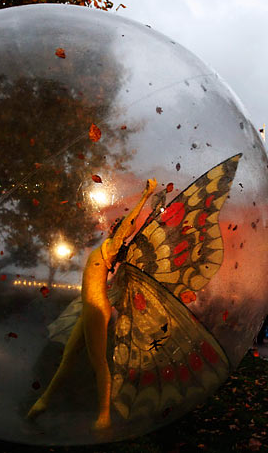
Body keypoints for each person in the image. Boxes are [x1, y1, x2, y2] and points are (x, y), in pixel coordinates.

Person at [27, 178, 157, 429]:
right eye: (115, 226)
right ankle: (44, 401)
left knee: (98, 363)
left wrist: (146, 195)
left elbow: (129, 223)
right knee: (68, 358)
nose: (115, 226)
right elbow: (122, 225)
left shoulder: (110, 249)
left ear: (119, 235)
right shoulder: (105, 247)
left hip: (97, 308)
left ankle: (104, 416)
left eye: (118, 227)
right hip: (88, 308)